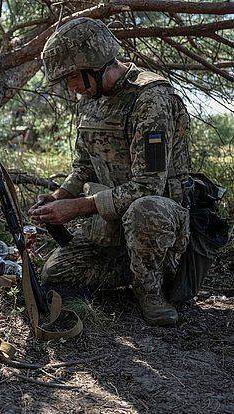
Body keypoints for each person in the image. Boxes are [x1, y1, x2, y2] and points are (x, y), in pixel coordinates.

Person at [30, 17, 193, 326]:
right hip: (112, 228)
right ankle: (128, 269)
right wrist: (55, 200)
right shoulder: (91, 102)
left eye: (74, 77)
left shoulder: (151, 98)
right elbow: (83, 167)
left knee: (146, 210)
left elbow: (148, 186)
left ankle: (152, 290)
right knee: (54, 274)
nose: (73, 87)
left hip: (157, 226)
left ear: (96, 64)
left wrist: (75, 208)